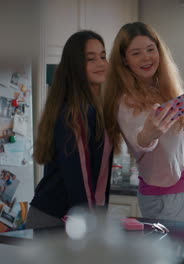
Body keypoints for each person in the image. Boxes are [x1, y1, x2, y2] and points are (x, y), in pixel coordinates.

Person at [104, 22, 184, 222]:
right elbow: (139, 141)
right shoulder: (125, 100)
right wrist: (148, 134)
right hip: (165, 192)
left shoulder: (165, 88)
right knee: (175, 252)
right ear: (124, 60)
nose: (147, 57)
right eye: (136, 53)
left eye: (151, 50)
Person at [27, 30, 112, 229]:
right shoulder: (75, 112)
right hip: (56, 218)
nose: (101, 63)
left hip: (71, 216)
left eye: (103, 56)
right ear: (75, 66)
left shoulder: (95, 107)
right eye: (91, 59)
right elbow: (78, 175)